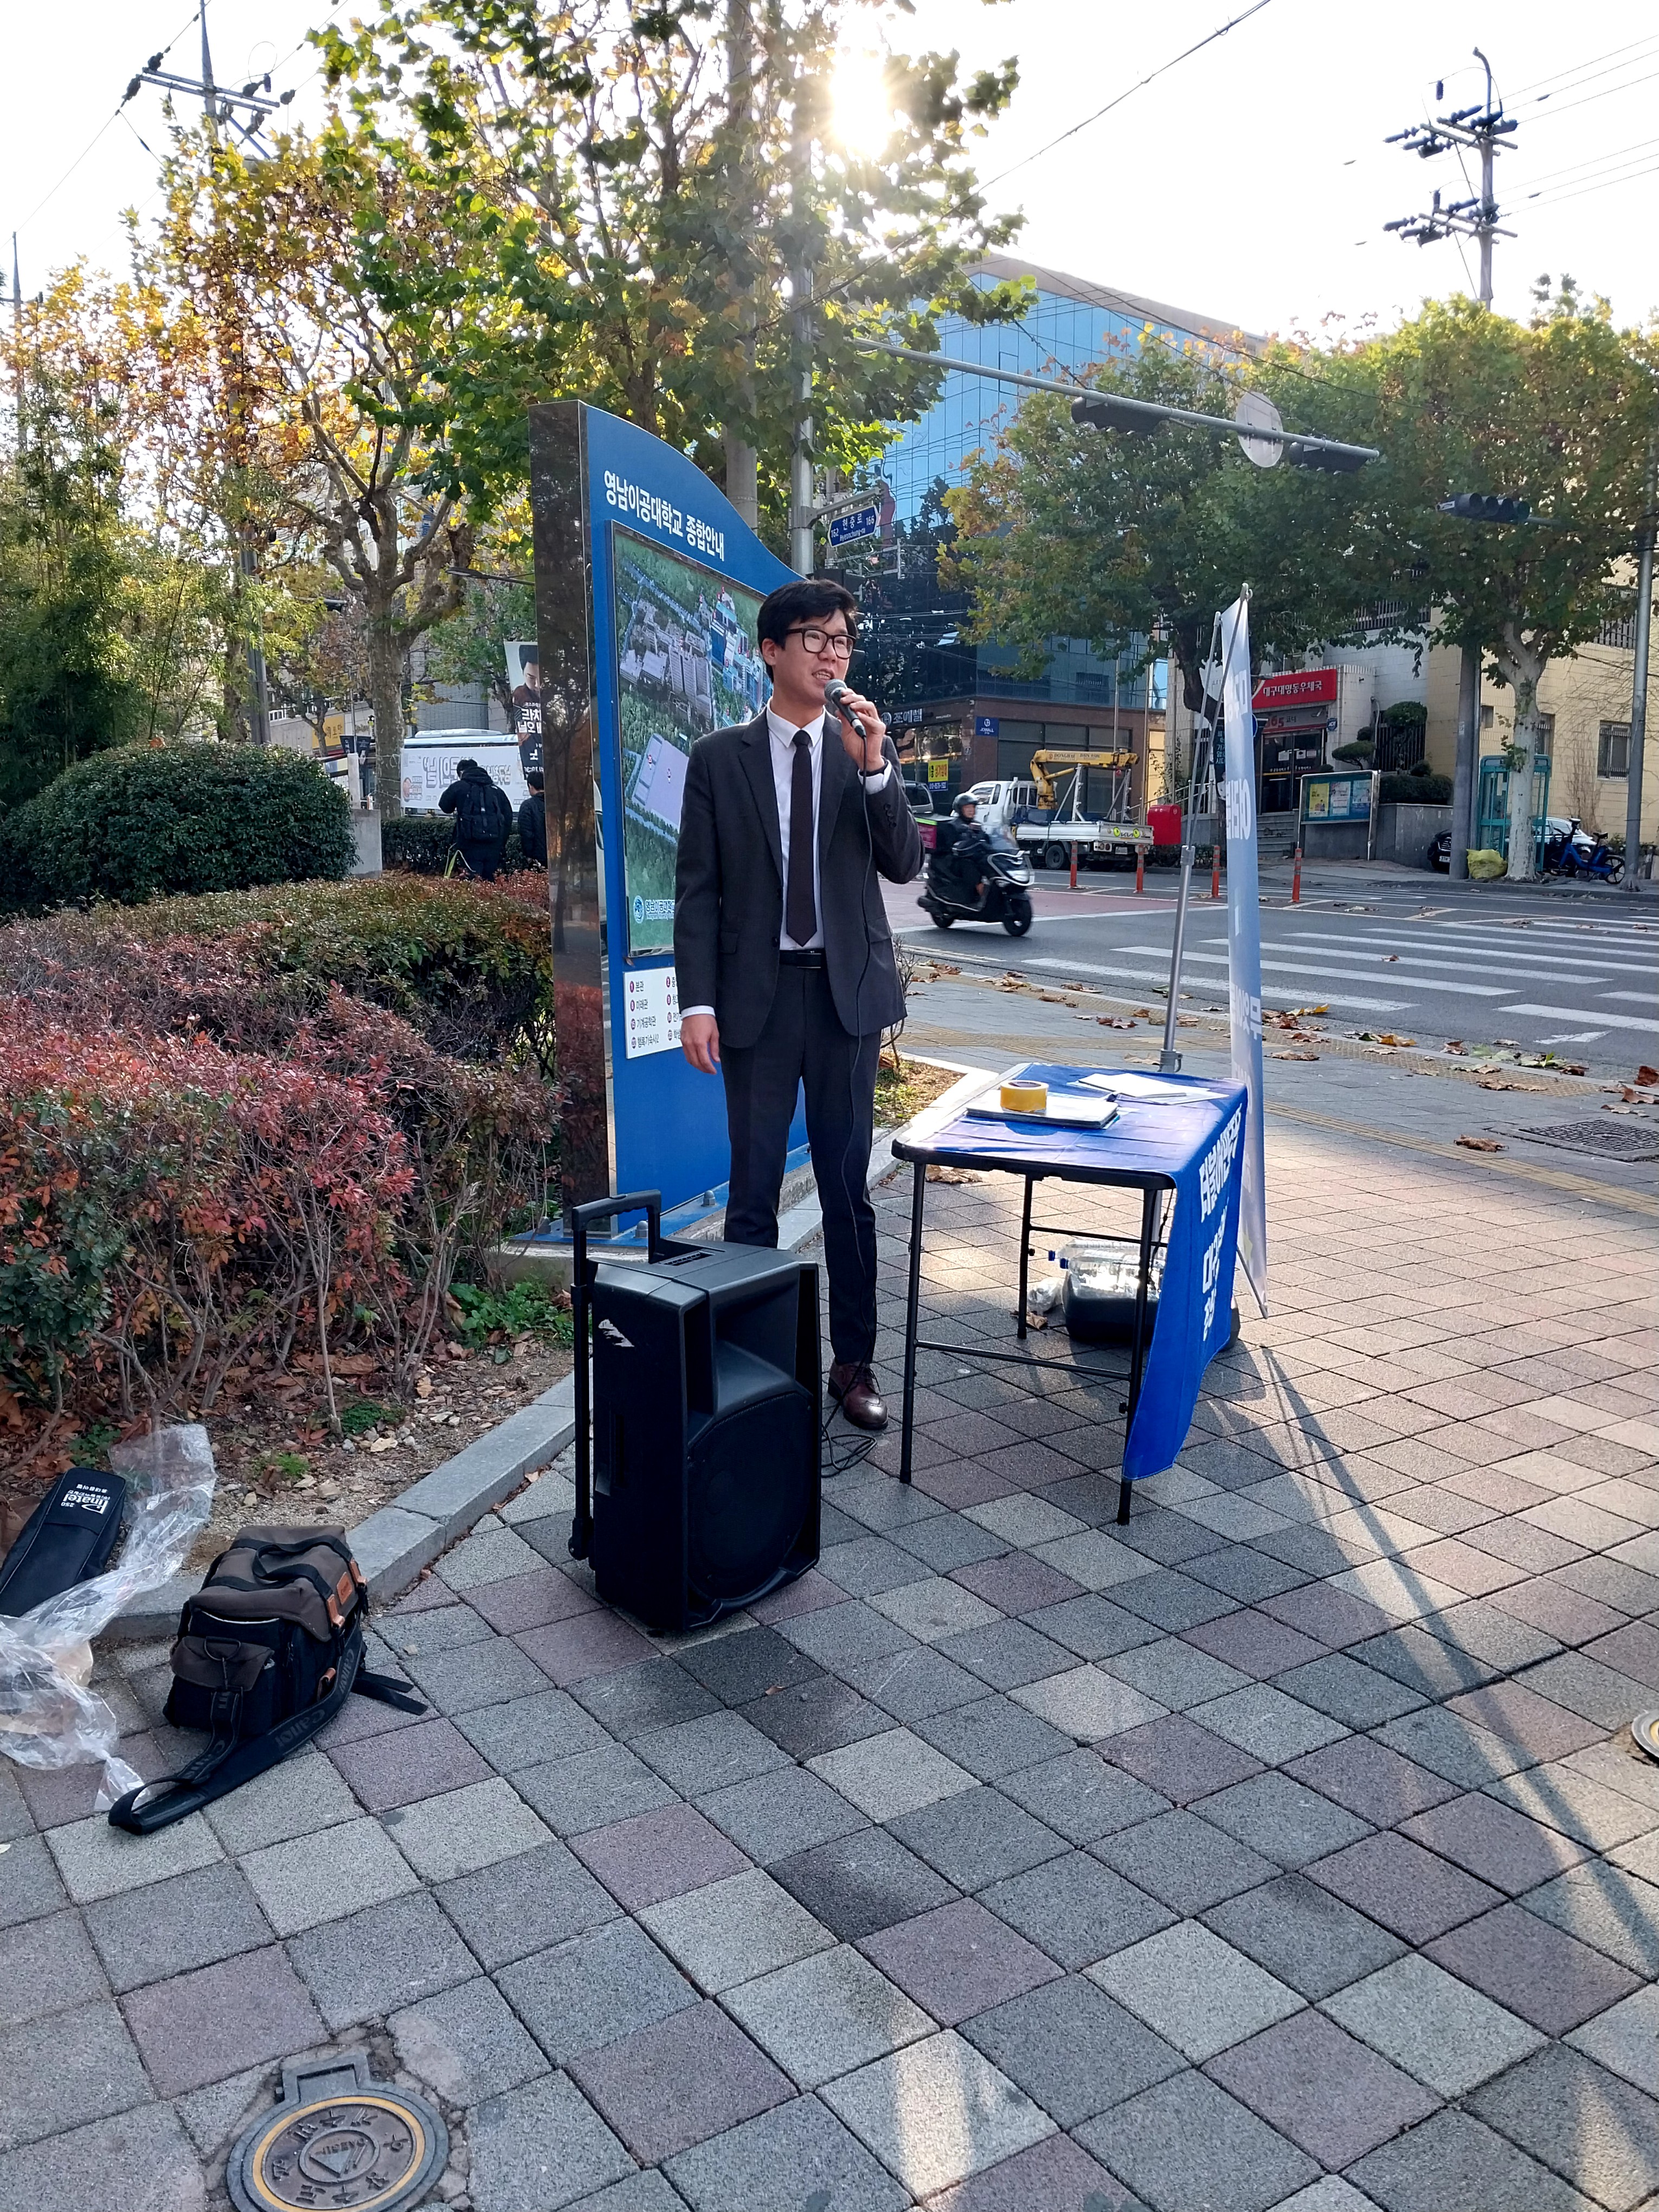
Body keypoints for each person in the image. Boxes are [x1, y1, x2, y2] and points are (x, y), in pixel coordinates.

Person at [674, 578, 922, 1430]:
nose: (832, 652)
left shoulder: (861, 749)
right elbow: (697, 891)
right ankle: (753, 1370)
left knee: (847, 1187)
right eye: (814, 637)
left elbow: (904, 865)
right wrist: (696, 1003)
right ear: (771, 651)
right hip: (759, 999)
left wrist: (878, 769)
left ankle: (853, 1363)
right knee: (752, 1191)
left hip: (847, 998)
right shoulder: (719, 758)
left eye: (842, 639)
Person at [439, 758, 513, 880]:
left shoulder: (459, 787)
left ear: (461, 773)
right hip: (494, 845)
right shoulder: (496, 790)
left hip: (469, 845)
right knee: (491, 882)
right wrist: (501, 842)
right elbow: (508, 817)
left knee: (472, 881)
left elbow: (445, 807)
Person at [518, 768, 548, 870]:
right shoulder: (556, 804)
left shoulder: (528, 806)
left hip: (538, 857)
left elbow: (526, 834)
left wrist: (528, 855)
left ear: (530, 786)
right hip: (557, 855)